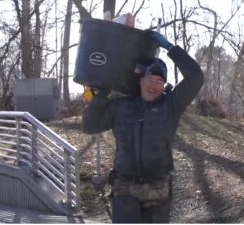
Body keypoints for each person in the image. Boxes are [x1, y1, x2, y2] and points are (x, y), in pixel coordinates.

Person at [82, 31, 204, 223]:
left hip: (158, 191)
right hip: (125, 188)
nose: (154, 85)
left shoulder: (171, 106)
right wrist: (99, 98)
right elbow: (89, 126)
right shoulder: (121, 107)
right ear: (140, 80)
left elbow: (195, 77)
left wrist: (170, 48)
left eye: (159, 81)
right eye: (150, 78)